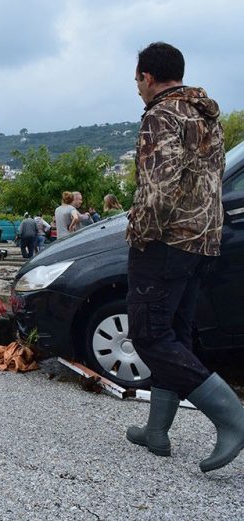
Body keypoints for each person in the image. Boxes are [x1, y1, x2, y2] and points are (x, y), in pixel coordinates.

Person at [124, 42, 242, 473]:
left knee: (151, 336)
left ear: (147, 77)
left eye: (137, 80)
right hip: (204, 239)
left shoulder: (161, 114)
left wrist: (139, 236)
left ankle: (233, 419)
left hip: (166, 242)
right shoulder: (205, 113)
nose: (137, 88)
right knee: (175, 331)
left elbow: (159, 187)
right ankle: (157, 431)